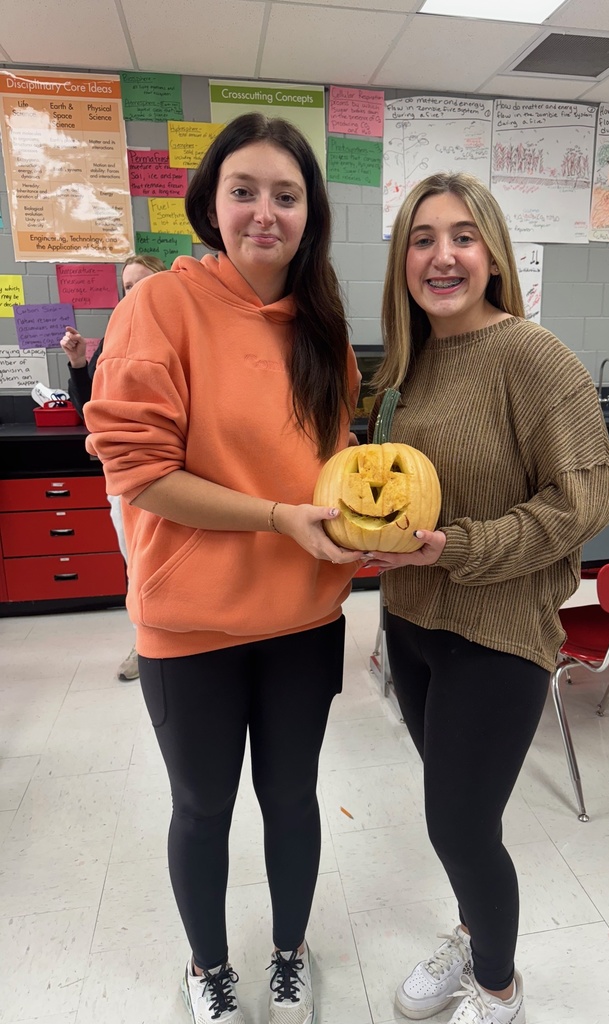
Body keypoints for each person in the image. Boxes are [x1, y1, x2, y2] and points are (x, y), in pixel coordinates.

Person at [84, 113, 363, 1024]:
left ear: (310, 213)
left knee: (292, 801)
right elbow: (142, 473)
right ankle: (208, 968)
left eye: (287, 195)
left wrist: (368, 520)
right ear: (211, 201)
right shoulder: (159, 307)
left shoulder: (323, 323)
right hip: (190, 625)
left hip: (305, 621)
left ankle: (290, 950)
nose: (265, 212)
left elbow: (337, 458)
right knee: (202, 808)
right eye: (245, 190)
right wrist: (281, 517)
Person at [363, 173, 609, 1024]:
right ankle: (473, 934)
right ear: (403, 261)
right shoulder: (408, 366)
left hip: (499, 631)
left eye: (463, 236)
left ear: (493, 253)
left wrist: (463, 547)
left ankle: (500, 989)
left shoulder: (533, 358)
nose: (443, 256)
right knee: (452, 809)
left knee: (461, 828)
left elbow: (587, 497)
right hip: (411, 621)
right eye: (423, 239)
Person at [59, 253, 167, 681]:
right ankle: (145, 641)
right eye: (127, 286)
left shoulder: (180, 331)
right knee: (136, 562)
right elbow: (92, 408)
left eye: (143, 283)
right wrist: (79, 363)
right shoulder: (113, 339)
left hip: (174, 474)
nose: (134, 293)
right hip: (126, 480)